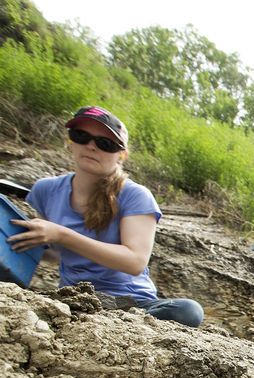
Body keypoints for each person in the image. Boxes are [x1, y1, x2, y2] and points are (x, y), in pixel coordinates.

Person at [9, 106, 204, 327]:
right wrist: (22, 240)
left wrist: (61, 235)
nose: (91, 146)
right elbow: (54, 255)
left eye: (105, 144)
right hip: (75, 300)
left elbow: (135, 261)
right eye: (81, 136)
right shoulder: (45, 190)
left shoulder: (135, 196)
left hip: (130, 304)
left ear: (122, 155)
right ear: (70, 141)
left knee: (188, 311)